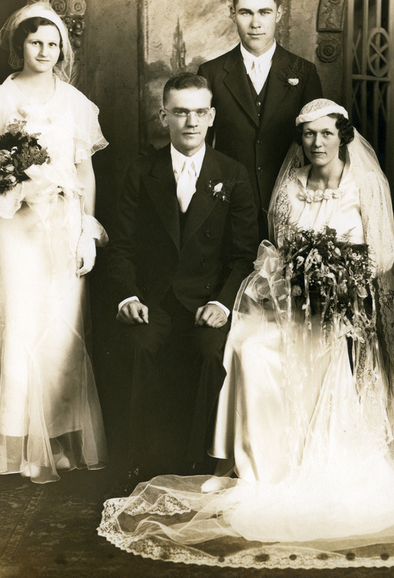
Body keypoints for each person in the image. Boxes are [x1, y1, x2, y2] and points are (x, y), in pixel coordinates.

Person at [98, 99, 394, 570]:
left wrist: (342, 290)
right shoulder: (289, 186)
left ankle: (317, 460)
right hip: (293, 302)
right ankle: (256, 466)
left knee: (318, 352)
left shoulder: (364, 185)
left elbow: (381, 258)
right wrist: (296, 285)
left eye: (327, 134)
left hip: (348, 307)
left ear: (343, 136)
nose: (317, 143)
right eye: (308, 134)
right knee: (250, 346)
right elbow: (277, 253)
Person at [0, 2, 108, 483]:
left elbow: (85, 170)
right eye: (35, 42)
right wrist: (17, 188)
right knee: (20, 323)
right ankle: (20, 441)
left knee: (62, 329)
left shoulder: (76, 103)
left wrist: (86, 227)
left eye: (53, 43)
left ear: (62, 49)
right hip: (17, 227)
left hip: (63, 222)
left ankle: (60, 437)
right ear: (19, 45)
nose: (44, 51)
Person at [107, 72, 258, 484]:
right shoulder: (142, 171)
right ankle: (140, 462)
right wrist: (127, 298)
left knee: (211, 353)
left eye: (198, 112)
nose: (190, 122)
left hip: (206, 301)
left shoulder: (234, 173)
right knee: (137, 346)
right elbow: (120, 247)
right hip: (152, 300)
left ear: (211, 117)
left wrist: (223, 303)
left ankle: (198, 464)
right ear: (163, 117)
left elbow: (246, 255)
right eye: (180, 112)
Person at [198, 0, 323, 238]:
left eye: (264, 12)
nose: (255, 23)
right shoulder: (211, 73)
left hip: (292, 205)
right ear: (233, 14)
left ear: (279, 13)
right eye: (246, 13)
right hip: (228, 208)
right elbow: (201, 148)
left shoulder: (304, 72)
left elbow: (317, 144)